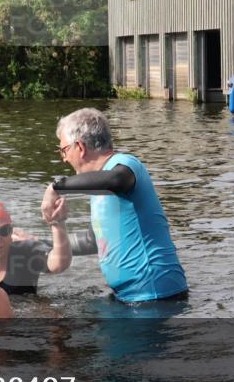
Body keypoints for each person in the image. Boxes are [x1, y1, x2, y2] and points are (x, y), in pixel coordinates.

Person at [44, 107, 188, 303]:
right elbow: (94, 240)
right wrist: (46, 242)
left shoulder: (124, 165)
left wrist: (57, 187)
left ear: (80, 147)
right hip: (131, 297)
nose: (64, 158)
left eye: (64, 150)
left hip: (155, 295)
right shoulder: (99, 185)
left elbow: (118, 180)